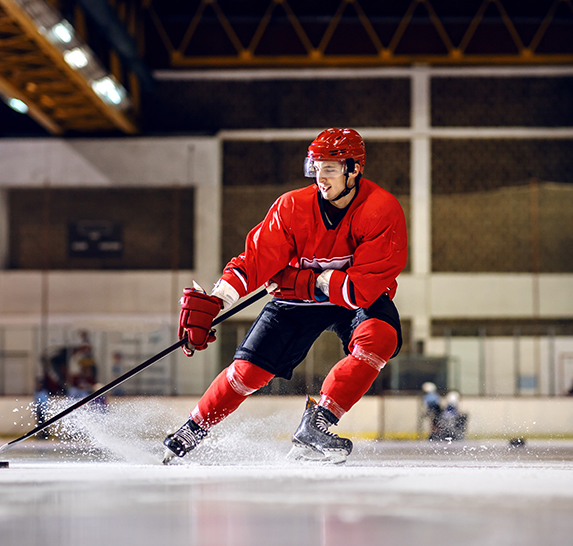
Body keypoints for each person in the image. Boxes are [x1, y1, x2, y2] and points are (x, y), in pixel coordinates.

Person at [163, 128, 408, 464]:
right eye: (316, 168)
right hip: (297, 302)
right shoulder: (292, 206)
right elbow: (255, 261)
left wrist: (302, 280)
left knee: (379, 338)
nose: (321, 178)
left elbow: (360, 290)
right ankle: (193, 428)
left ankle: (317, 422)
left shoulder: (381, 209)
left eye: (331, 169)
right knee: (248, 372)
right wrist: (218, 300)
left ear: (354, 169)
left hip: (350, 301)